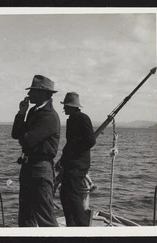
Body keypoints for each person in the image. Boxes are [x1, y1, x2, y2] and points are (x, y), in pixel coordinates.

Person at [11, 75, 60, 227]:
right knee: (26, 216)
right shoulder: (33, 112)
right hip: (29, 168)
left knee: (45, 218)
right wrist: (21, 113)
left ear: (44, 94)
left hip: (40, 170)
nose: (29, 94)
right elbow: (15, 134)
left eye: (33, 91)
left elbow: (26, 140)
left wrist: (23, 132)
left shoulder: (49, 116)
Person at [56, 92, 96, 226]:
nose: (64, 109)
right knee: (65, 195)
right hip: (71, 164)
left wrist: (73, 153)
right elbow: (70, 143)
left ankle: (82, 227)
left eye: (66, 106)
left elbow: (90, 140)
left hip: (77, 165)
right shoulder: (73, 119)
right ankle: (71, 225)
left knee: (72, 196)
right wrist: (62, 159)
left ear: (71, 106)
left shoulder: (82, 118)